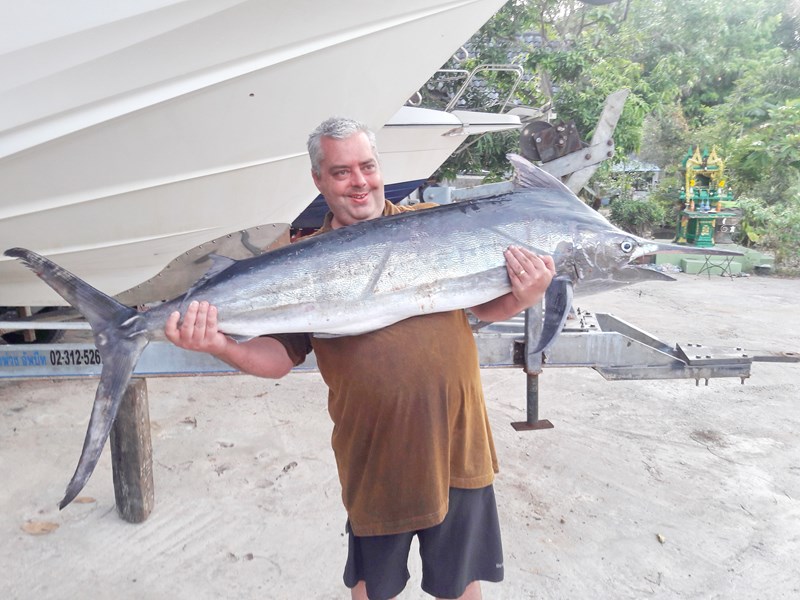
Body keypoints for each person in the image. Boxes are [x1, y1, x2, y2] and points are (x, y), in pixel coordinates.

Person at [165, 117, 555, 600]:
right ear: (319, 180)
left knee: (461, 582)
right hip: (376, 454)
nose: (359, 182)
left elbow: (484, 305)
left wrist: (526, 294)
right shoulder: (299, 258)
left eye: (367, 167)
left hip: (459, 439)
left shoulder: (433, 225)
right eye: (341, 172)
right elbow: (278, 359)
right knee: (374, 587)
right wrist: (220, 344)